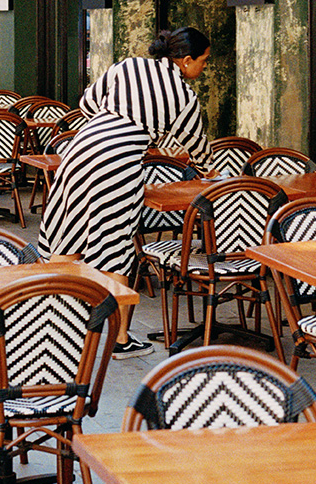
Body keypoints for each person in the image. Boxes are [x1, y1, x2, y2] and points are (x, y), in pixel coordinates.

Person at [38, 26, 214, 355]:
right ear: (186, 60)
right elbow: (197, 147)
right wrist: (208, 170)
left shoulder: (128, 66)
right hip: (118, 162)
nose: (203, 68)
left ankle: (58, 326)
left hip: (80, 149)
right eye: (203, 61)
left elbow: (87, 103)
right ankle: (118, 340)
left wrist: (115, 122)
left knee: (70, 232)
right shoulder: (184, 96)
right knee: (114, 249)